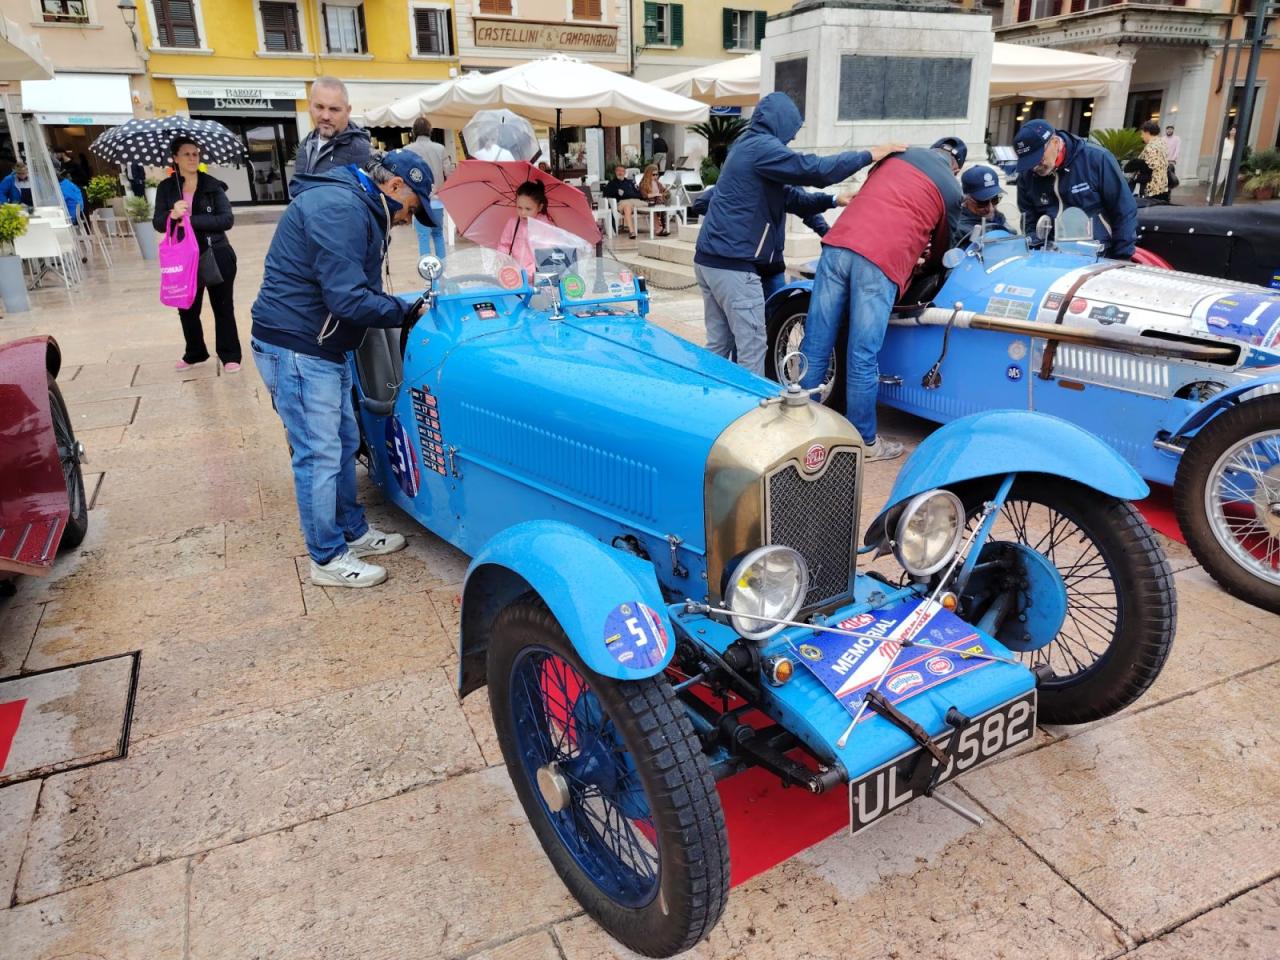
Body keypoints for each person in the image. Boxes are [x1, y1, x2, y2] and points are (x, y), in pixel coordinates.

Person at [251, 149, 434, 588]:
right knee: (319, 454)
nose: (409, 218)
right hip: (297, 346)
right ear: (394, 187)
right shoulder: (341, 209)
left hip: (322, 343)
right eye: (411, 207)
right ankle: (327, 558)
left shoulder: (357, 204)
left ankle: (353, 530)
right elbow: (347, 297)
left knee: (344, 439)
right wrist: (406, 311)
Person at [695, 91, 904, 376]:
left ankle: (714, 408)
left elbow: (793, 198)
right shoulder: (762, 148)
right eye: (791, 131)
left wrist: (833, 201)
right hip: (734, 264)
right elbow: (815, 170)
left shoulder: (746, 146)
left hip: (711, 260)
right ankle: (749, 415)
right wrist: (871, 154)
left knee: (719, 345)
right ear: (780, 123)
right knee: (753, 346)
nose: (792, 140)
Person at [799, 138, 965, 462]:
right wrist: (920, 265)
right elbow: (944, 251)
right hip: (879, 261)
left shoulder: (897, 156)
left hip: (838, 245)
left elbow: (874, 197)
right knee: (862, 354)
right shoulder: (951, 188)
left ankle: (798, 427)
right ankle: (864, 441)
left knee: (816, 341)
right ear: (956, 167)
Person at [153, 136, 242, 373]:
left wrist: (190, 220)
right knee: (187, 308)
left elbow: (226, 219)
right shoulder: (167, 188)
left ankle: (230, 355)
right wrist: (173, 215)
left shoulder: (213, 185)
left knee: (223, 307)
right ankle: (195, 352)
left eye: (195, 154)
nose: (192, 158)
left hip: (216, 253)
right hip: (184, 258)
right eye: (186, 154)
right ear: (175, 158)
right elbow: (158, 223)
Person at [1013, 118, 1136, 259]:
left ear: (1055, 142)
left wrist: (1121, 257)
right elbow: (1029, 220)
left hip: (1099, 254)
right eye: (1028, 161)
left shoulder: (1097, 159)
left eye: (1038, 158)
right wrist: (1036, 252)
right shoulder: (1026, 174)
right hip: (1051, 257)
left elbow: (1124, 210)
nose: (1034, 166)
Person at [293, 76, 372, 182]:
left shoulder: (362, 151)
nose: (325, 116)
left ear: (348, 111)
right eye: (319, 107)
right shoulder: (305, 145)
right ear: (309, 106)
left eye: (334, 109)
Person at [404, 116, 452, 263]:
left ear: (414, 131)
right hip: (437, 199)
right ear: (430, 131)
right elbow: (449, 173)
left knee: (423, 237)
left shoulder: (408, 150)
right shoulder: (440, 148)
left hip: (419, 200)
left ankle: (427, 274)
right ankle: (443, 271)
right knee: (438, 235)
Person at [498, 180, 553, 278]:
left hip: (534, 279)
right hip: (514, 275)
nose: (523, 213)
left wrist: (526, 273)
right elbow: (504, 244)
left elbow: (545, 256)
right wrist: (503, 256)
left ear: (539, 207)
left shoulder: (544, 227)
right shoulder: (513, 223)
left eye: (528, 209)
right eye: (519, 207)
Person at [957, 164, 1008, 242]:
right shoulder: (958, 229)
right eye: (982, 202)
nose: (991, 209)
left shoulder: (998, 217)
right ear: (966, 199)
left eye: (995, 199)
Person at [600, 165, 644, 239]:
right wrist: (616, 192)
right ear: (615, 172)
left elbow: (639, 194)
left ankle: (660, 227)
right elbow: (606, 194)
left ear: (625, 172)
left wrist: (626, 194)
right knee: (627, 206)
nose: (620, 173)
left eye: (622, 171)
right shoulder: (612, 183)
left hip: (634, 203)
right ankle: (631, 231)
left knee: (650, 205)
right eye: (618, 171)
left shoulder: (630, 182)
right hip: (621, 204)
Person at [1135, 120, 1170, 204]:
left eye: (1142, 133)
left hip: (1152, 187)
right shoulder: (1162, 143)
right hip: (1162, 184)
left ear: (1147, 132)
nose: (1141, 136)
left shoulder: (1151, 147)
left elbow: (1148, 167)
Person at [638, 164, 669, 237]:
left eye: (657, 174)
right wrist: (656, 194)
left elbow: (664, 192)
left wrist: (665, 190)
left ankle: (662, 228)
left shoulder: (658, 183)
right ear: (648, 174)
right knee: (657, 208)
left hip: (658, 202)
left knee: (661, 207)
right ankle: (660, 229)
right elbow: (645, 195)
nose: (655, 176)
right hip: (648, 202)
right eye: (653, 174)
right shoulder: (643, 184)